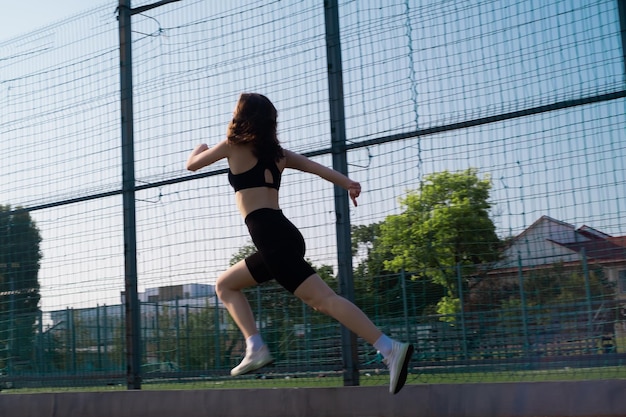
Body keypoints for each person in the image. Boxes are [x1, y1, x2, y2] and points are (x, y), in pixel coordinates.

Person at [186, 92, 414, 394]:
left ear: (241, 116)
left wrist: (199, 147)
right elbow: (316, 168)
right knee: (226, 285)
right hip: (283, 236)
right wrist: (348, 183)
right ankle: (254, 346)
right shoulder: (279, 154)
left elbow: (192, 164)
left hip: (271, 239)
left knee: (324, 301)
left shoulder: (232, 145)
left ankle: (389, 348)